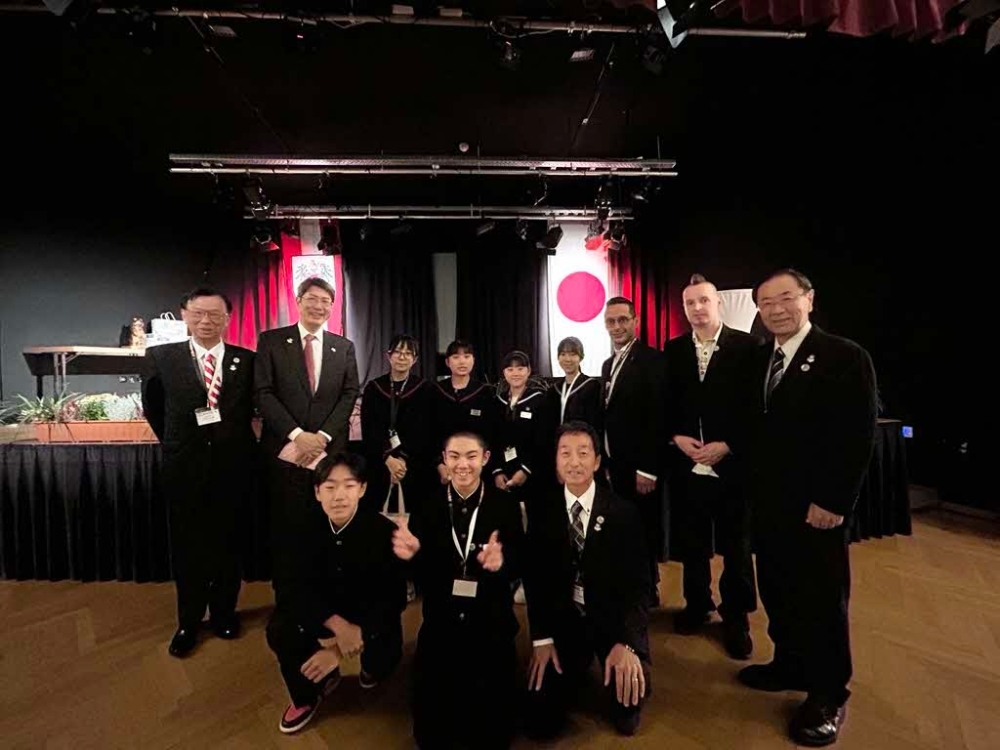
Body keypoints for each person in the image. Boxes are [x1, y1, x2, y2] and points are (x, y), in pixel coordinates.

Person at [740, 269, 877, 747]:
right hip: (769, 505)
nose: (776, 309)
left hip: (817, 509)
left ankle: (827, 694)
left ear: (809, 299)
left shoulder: (844, 356)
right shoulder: (761, 357)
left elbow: (857, 436)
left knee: (822, 599)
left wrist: (834, 501)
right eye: (766, 302)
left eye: (786, 298)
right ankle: (789, 663)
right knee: (778, 589)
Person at [141, 287, 255, 657]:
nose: (206, 321)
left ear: (228, 319)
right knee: (187, 548)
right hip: (184, 467)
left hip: (233, 468)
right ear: (184, 315)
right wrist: (178, 443)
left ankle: (224, 614)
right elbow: (153, 407)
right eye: (198, 313)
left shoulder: (246, 360)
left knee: (229, 545)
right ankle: (188, 622)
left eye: (215, 315)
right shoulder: (162, 357)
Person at [392, 432, 524, 749]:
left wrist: (503, 562)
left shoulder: (504, 504)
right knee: (430, 734)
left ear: (485, 458)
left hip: (491, 619)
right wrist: (412, 558)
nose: (462, 465)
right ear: (444, 459)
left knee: (493, 732)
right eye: (454, 456)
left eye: (471, 456)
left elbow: (521, 561)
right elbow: (423, 574)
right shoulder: (428, 504)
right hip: (442, 619)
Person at [523, 422, 651, 738]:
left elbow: (639, 587)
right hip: (564, 623)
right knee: (541, 723)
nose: (574, 462)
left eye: (583, 453)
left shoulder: (623, 512)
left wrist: (627, 643)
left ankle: (621, 661)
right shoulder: (543, 511)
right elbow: (535, 581)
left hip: (612, 624)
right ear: (555, 461)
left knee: (626, 714)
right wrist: (541, 639)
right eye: (565, 453)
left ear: (596, 461)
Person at [265, 453, 407, 734]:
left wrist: (339, 650)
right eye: (330, 487)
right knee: (281, 628)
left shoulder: (384, 531)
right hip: (322, 611)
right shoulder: (296, 528)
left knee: (384, 649)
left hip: (366, 613)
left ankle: (375, 665)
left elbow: (394, 599)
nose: (339, 496)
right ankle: (308, 694)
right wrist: (336, 626)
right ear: (317, 492)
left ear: (362, 489)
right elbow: (288, 589)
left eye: (349, 486)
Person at [664, 274, 758, 658]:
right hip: (689, 466)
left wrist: (729, 445)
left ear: (717, 302)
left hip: (732, 466)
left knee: (737, 546)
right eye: (690, 303)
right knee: (693, 541)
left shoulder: (749, 347)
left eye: (703, 300)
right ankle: (697, 603)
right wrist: (676, 437)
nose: (697, 308)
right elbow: (667, 403)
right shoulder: (673, 350)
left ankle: (736, 616)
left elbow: (756, 407)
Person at [255, 277, 360, 606]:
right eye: (312, 298)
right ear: (298, 301)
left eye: (326, 301)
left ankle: (327, 599)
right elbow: (263, 392)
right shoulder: (272, 341)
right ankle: (288, 601)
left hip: (329, 455)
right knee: (287, 528)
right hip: (285, 453)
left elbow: (349, 394)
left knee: (327, 525)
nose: (318, 306)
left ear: (332, 307)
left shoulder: (343, 347)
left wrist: (322, 437)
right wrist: (298, 436)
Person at [600, 297, 666, 605]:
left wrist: (648, 468)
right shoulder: (608, 363)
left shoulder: (652, 360)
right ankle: (633, 586)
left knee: (644, 529)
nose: (616, 327)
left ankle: (647, 590)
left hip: (640, 466)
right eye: (610, 321)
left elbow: (658, 417)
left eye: (622, 320)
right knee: (625, 529)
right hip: (616, 465)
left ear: (635, 321)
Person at [360, 334, 431, 516]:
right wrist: (388, 458)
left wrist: (402, 460)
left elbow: (424, 430)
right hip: (379, 462)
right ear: (388, 355)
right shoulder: (374, 388)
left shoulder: (424, 389)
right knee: (377, 517)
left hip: (412, 464)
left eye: (408, 353)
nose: (402, 357)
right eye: (398, 352)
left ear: (415, 359)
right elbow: (369, 428)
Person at [430, 340, 498, 486]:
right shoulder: (435, 391)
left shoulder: (485, 392)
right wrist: (439, 464)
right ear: (447, 362)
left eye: (467, 356)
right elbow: (429, 433)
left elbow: (491, 434)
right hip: (442, 467)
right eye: (456, 357)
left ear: (473, 360)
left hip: (477, 466)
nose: (462, 361)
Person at [492, 350, 558, 498]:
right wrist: (497, 471)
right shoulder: (497, 402)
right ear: (504, 372)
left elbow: (544, 440)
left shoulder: (540, 401)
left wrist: (525, 470)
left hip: (532, 473)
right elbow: (492, 438)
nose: (515, 373)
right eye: (510, 369)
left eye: (520, 368)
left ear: (528, 371)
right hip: (503, 473)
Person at [553, 336, 604, 440]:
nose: (567, 359)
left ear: (581, 357)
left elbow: (596, 424)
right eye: (563, 354)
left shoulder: (592, 387)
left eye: (573, 354)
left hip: (583, 444)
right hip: (559, 445)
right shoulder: (554, 390)